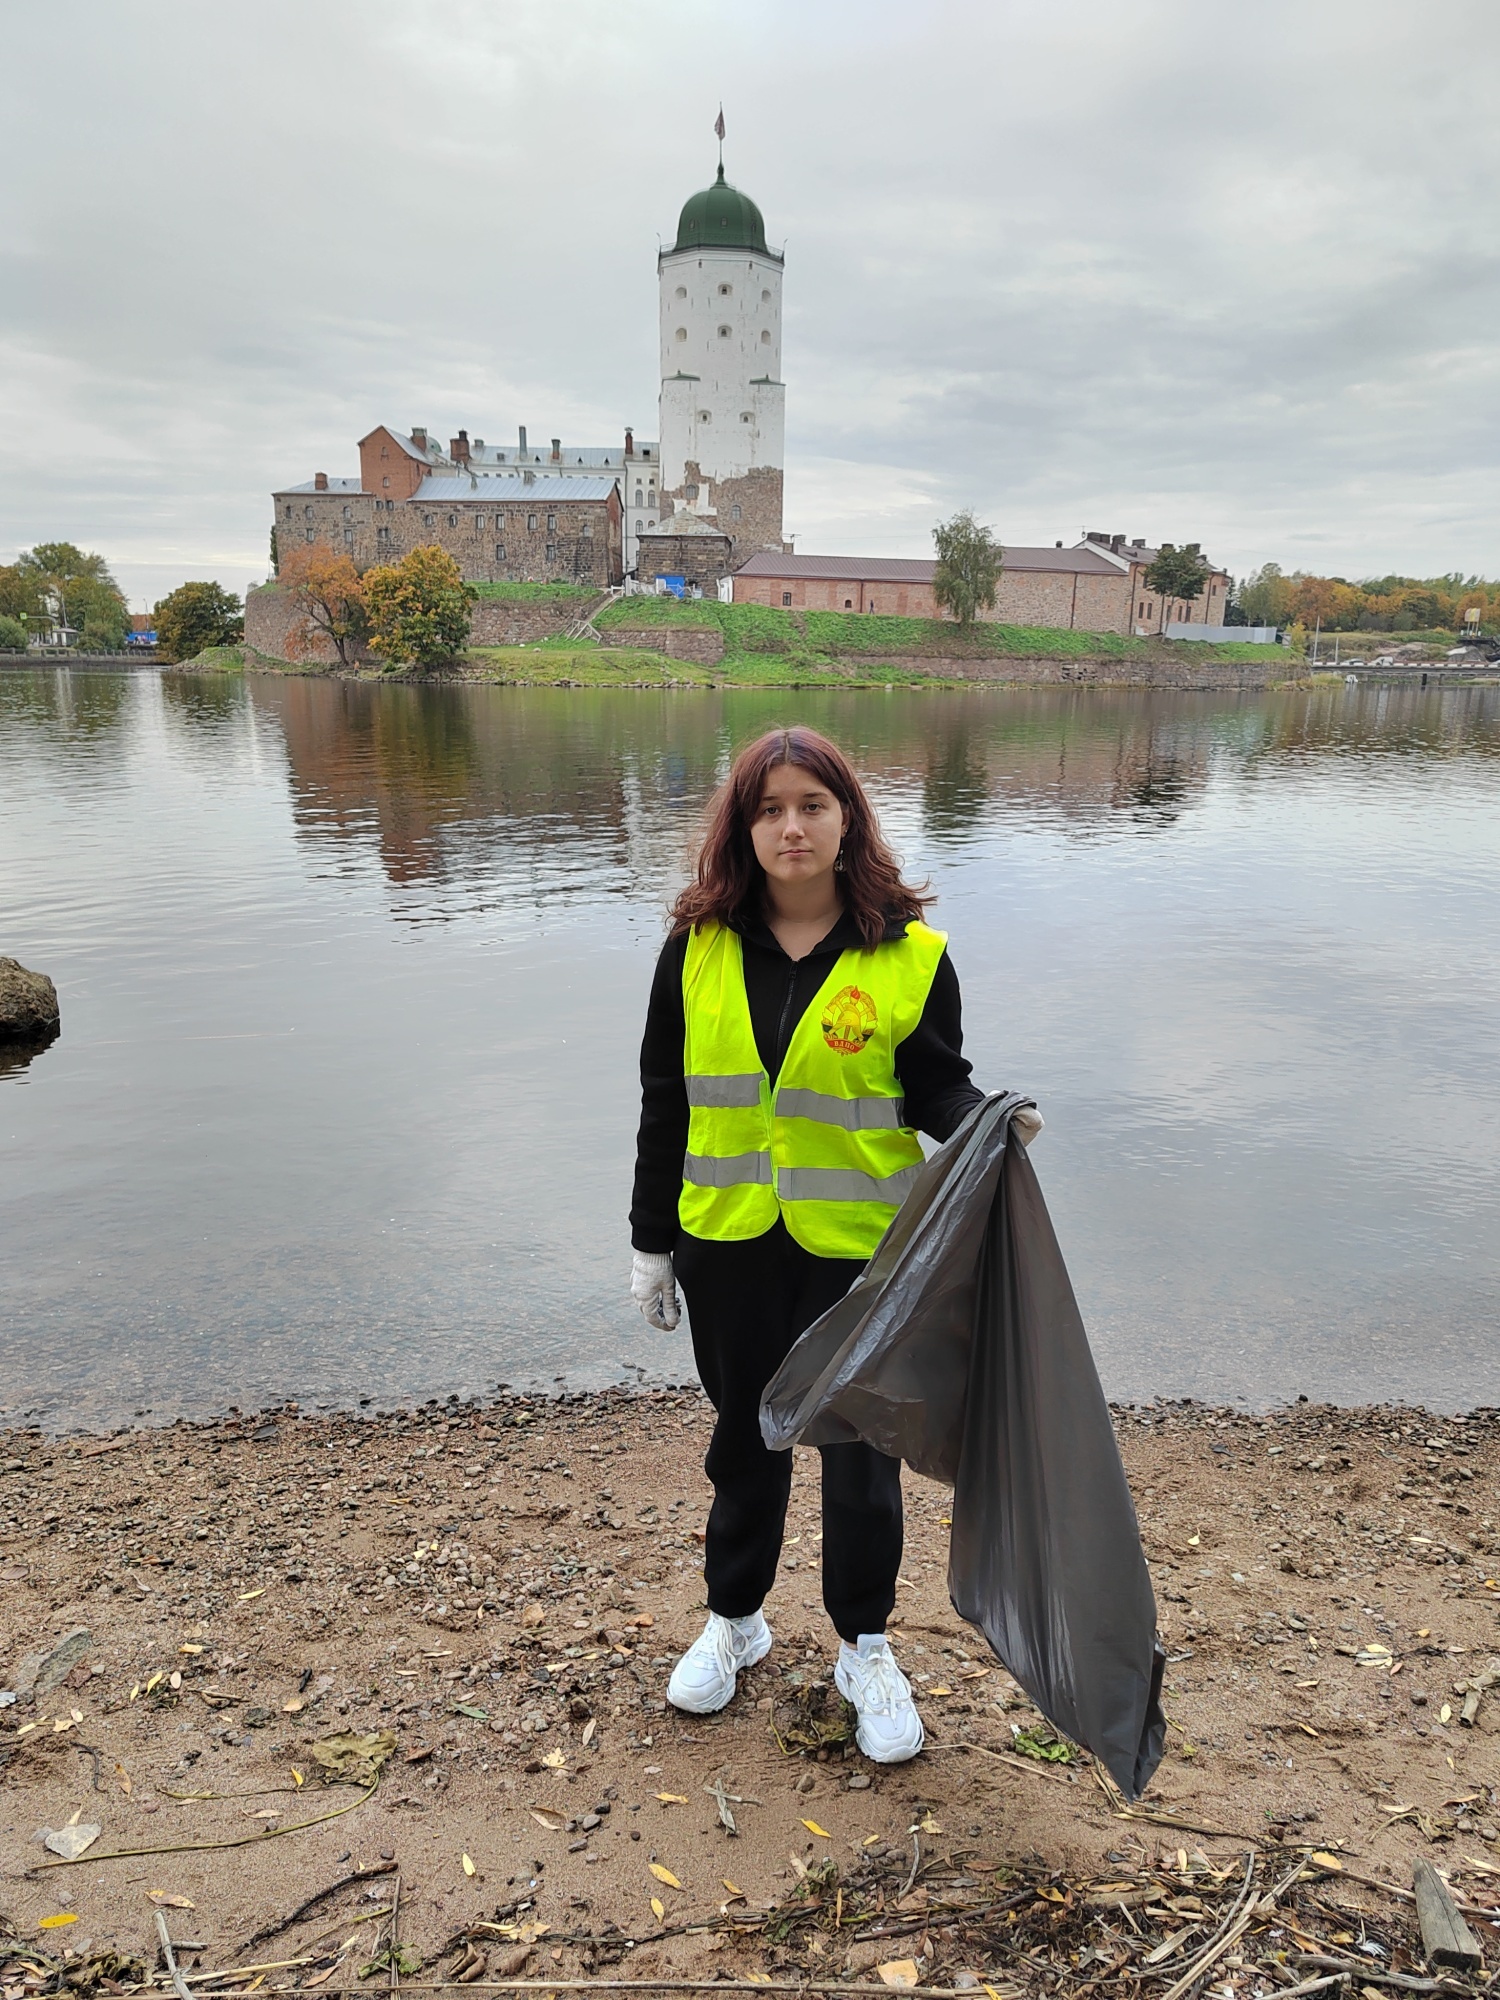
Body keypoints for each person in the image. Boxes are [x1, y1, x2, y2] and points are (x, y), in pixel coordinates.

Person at [629, 725, 1018, 1764]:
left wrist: (986, 1122)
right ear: (743, 827)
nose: (790, 826)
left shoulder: (909, 952)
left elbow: (935, 1081)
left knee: (858, 1459)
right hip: (730, 1248)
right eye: (769, 808)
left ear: (848, 816)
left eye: (811, 804)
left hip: (861, 1259)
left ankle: (864, 1644)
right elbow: (664, 1102)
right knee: (744, 1442)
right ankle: (735, 1619)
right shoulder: (696, 944)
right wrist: (650, 1243)